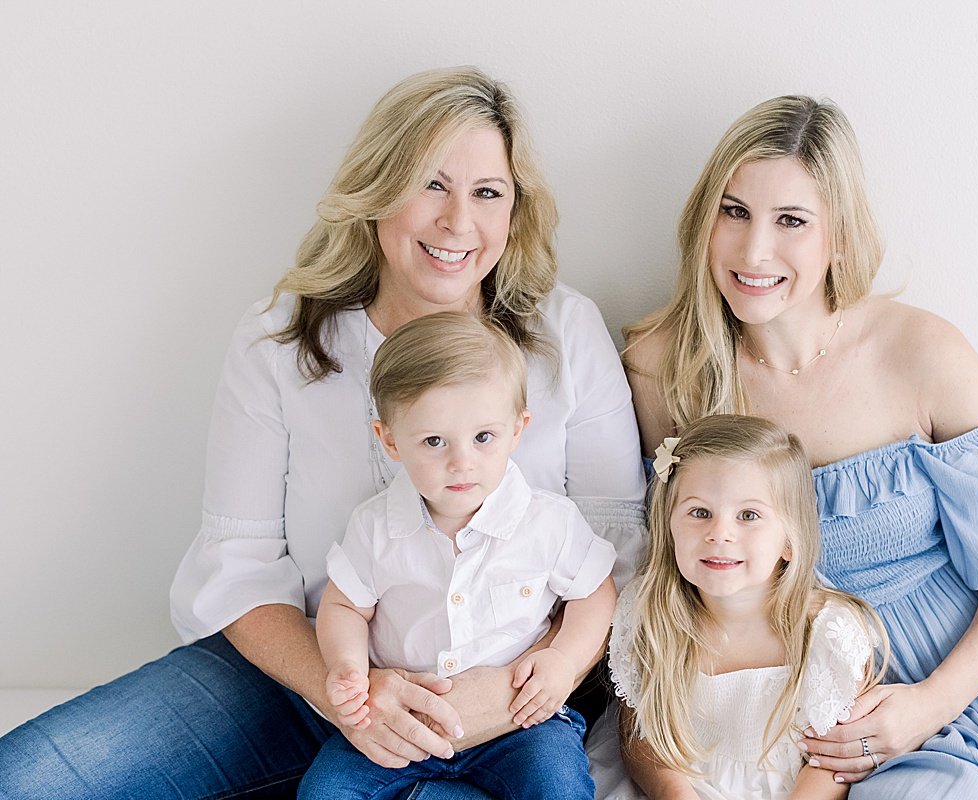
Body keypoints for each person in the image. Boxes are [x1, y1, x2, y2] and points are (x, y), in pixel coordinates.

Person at [0, 66, 646, 799]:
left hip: (509, 702)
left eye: (487, 193)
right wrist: (349, 690)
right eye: (430, 184)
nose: (457, 223)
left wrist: (506, 687)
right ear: (377, 191)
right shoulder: (278, 341)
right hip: (297, 675)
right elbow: (239, 560)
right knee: (22, 780)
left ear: (513, 211)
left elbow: (619, 552)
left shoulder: (561, 334)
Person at [622, 95, 978, 797]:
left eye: (792, 222)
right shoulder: (663, 367)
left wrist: (933, 701)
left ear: (838, 234)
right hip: (843, 696)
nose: (754, 251)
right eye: (734, 211)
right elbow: (667, 572)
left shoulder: (920, 350)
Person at [299, 312, 616, 799]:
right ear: (390, 440)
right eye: (433, 441)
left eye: (483, 437)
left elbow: (594, 595)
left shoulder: (547, 522)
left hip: (521, 726)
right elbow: (344, 606)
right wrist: (346, 667)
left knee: (558, 786)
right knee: (325, 792)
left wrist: (562, 660)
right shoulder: (375, 526)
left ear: (517, 429)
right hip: (400, 723)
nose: (461, 461)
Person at [610, 415, 887, 800]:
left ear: (789, 541)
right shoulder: (650, 615)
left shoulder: (828, 632)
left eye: (749, 516)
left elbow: (835, 761)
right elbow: (639, 739)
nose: (720, 533)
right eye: (700, 512)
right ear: (668, 524)